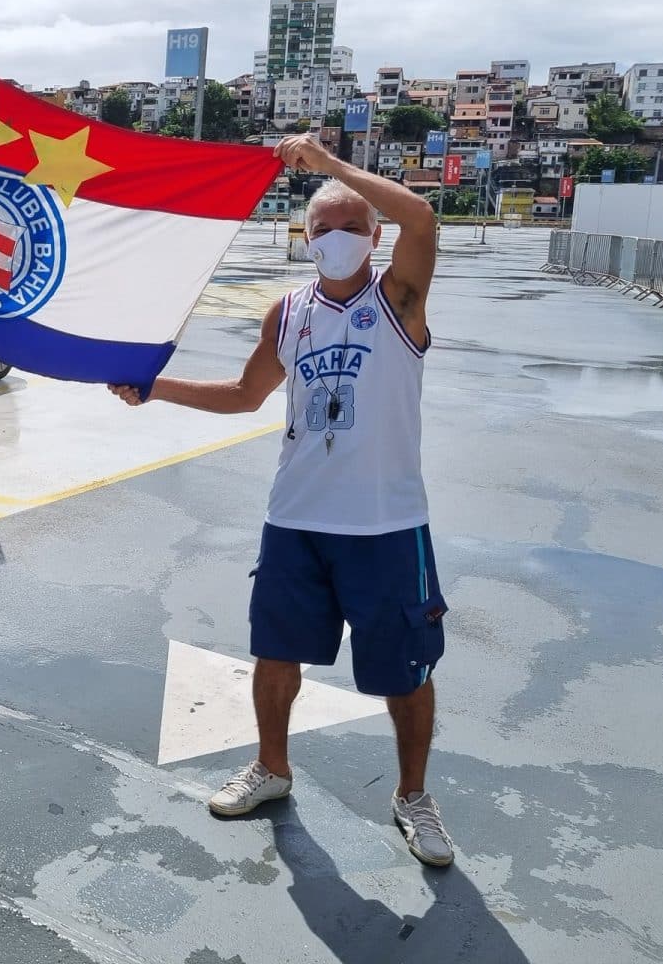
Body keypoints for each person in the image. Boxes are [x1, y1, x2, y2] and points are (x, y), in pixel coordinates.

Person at [109, 132, 454, 868]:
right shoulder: (289, 313)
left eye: (351, 226)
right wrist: (154, 387)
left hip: (387, 525)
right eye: (322, 228)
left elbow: (423, 218)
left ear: (375, 236)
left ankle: (413, 796)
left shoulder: (398, 298)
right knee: (274, 655)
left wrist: (327, 165)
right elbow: (245, 394)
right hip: (295, 519)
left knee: (407, 670)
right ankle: (272, 767)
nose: (336, 238)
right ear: (304, 238)